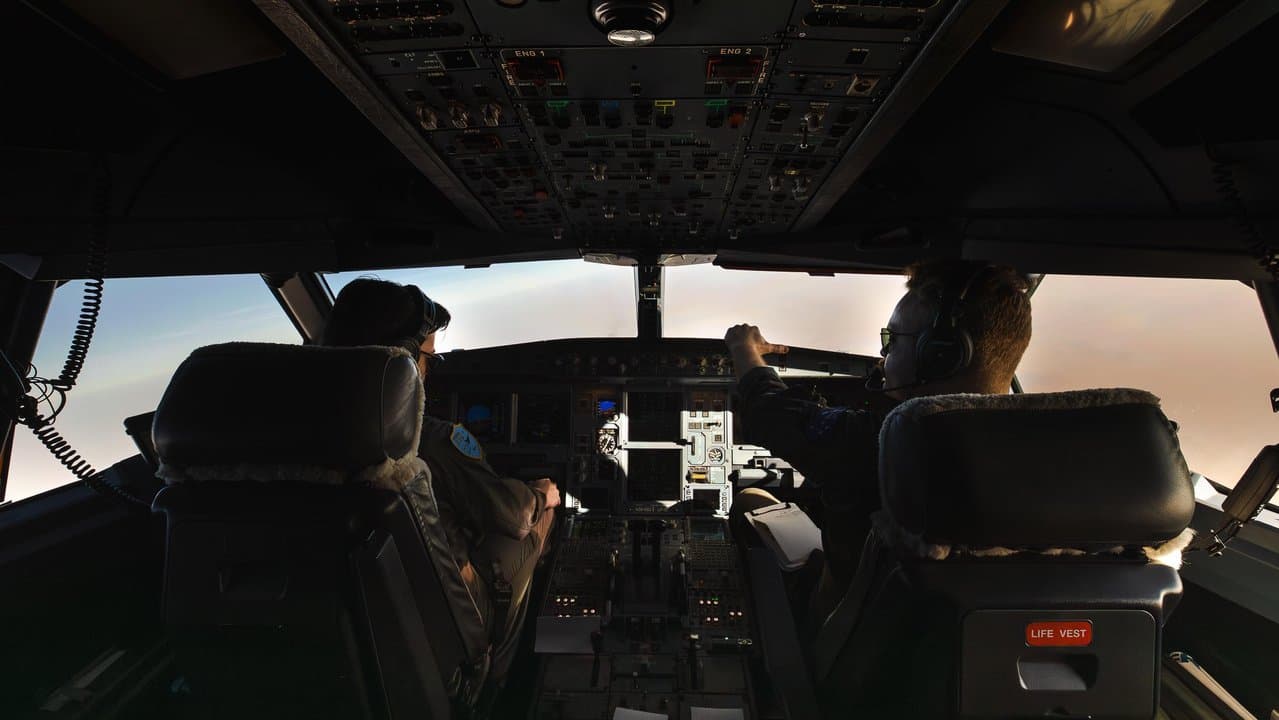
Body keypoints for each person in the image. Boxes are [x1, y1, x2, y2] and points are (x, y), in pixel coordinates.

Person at [724, 259, 1033, 629]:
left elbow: (772, 415)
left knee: (749, 501)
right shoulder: (1059, 454)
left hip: (845, 641)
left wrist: (745, 349)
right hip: (981, 647)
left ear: (939, 354)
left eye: (892, 338)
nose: (883, 355)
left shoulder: (892, 442)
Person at [321, 277, 560, 676]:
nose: (430, 370)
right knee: (544, 513)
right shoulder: (432, 440)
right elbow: (512, 516)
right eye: (430, 357)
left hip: (340, 629)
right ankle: (501, 670)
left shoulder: (290, 440)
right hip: (444, 623)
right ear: (401, 363)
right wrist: (540, 494)